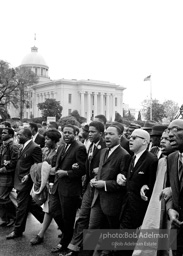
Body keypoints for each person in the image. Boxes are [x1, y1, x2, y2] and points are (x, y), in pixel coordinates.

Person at [83, 123, 131, 256]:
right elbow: (102, 172)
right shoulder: (104, 151)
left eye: (111, 134)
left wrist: (104, 184)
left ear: (120, 136)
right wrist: (95, 179)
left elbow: (123, 183)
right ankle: (89, 253)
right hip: (97, 198)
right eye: (106, 134)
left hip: (111, 201)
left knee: (109, 230)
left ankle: (104, 252)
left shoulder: (124, 155)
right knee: (92, 227)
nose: (107, 137)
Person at [65, 121, 106, 256]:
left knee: (93, 223)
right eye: (89, 131)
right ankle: (74, 248)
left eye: (93, 132)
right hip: (89, 186)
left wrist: (100, 170)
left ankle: (87, 251)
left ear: (101, 133)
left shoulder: (104, 147)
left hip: (99, 188)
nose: (90, 134)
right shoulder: (91, 146)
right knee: (82, 218)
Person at [117, 129, 158, 256]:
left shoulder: (151, 160)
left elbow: (152, 188)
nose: (130, 139)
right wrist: (120, 175)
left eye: (135, 138)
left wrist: (144, 220)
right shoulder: (133, 157)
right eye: (130, 137)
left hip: (140, 212)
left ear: (145, 141)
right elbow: (129, 175)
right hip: (127, 208)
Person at [49, 124, 87, 254]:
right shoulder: (61, 147)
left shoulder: (80, 148)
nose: (66, 135)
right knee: (54, 211)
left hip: (70, 189)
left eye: (69, 133)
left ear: (76, 133)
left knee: (68, 217)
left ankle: (65, 243)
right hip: (58, 186)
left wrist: (67, 173)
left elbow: (82, 169)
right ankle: (68, 235)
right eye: (64, 132)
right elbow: (57, 164)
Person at [6, 127, 44, 239]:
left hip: (25, 182)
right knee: (30, 205)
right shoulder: (23, 146)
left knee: (21, 206)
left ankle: (17, 230)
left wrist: (28, 176)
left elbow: (38, 165)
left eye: (20, 135)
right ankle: (47, 218)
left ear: (27, 136)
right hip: (19, 180)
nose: (17, 136)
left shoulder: (35, 147)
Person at [30, 129, 61, 245]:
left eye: (48, 139)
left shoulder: (59, 151)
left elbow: (57, 168)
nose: (45, 141)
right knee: (50, 209)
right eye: (45, 138)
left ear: (54, 140)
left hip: (55, 184)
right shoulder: (44, 150)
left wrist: (47, 170)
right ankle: (65, 230)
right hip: (45, 183)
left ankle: (41, 234)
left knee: (50, 209)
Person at [166, 119, 183, 256]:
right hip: (177, 227)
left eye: (176, 130)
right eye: (169, 130)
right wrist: (171, 209)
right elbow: (173, 190)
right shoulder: (171, 158)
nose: (170, 134)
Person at [0, 128, 19, 227]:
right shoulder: (3, 145)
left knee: (3, 197)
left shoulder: (13, 146)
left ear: (11, 135)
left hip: (7, 175)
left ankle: (13, 217)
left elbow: (14, 161)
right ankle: (4, 218)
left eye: (5, 133)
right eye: (2, 132)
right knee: (1, 197)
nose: (2, 134)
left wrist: (4, 168)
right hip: (2, 174)